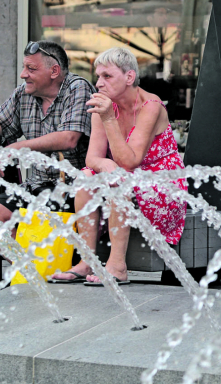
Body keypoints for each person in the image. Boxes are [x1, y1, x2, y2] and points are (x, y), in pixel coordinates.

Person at [49, 47, 187, 285]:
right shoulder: (104, 106)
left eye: (107, 76)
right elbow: (93, 158)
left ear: (129, 77)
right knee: (85, 177)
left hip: (162, 185)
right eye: (98, 76)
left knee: (119, 179)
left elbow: (131, 161)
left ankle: (117, 266)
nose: (99, 83)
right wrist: (107, 167)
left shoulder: (150, 106)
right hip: (125, 176)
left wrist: (109, 122)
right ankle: (86, 261)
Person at [0, 40, 96, 223]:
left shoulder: (77, 87)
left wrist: (15, 148)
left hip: (75, 190)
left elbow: (68, 138)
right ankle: (15, 254)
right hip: (36, 186)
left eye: (31, 69)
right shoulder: (23, 93)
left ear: (54, 71)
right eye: (24, 67)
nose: (23, 74)